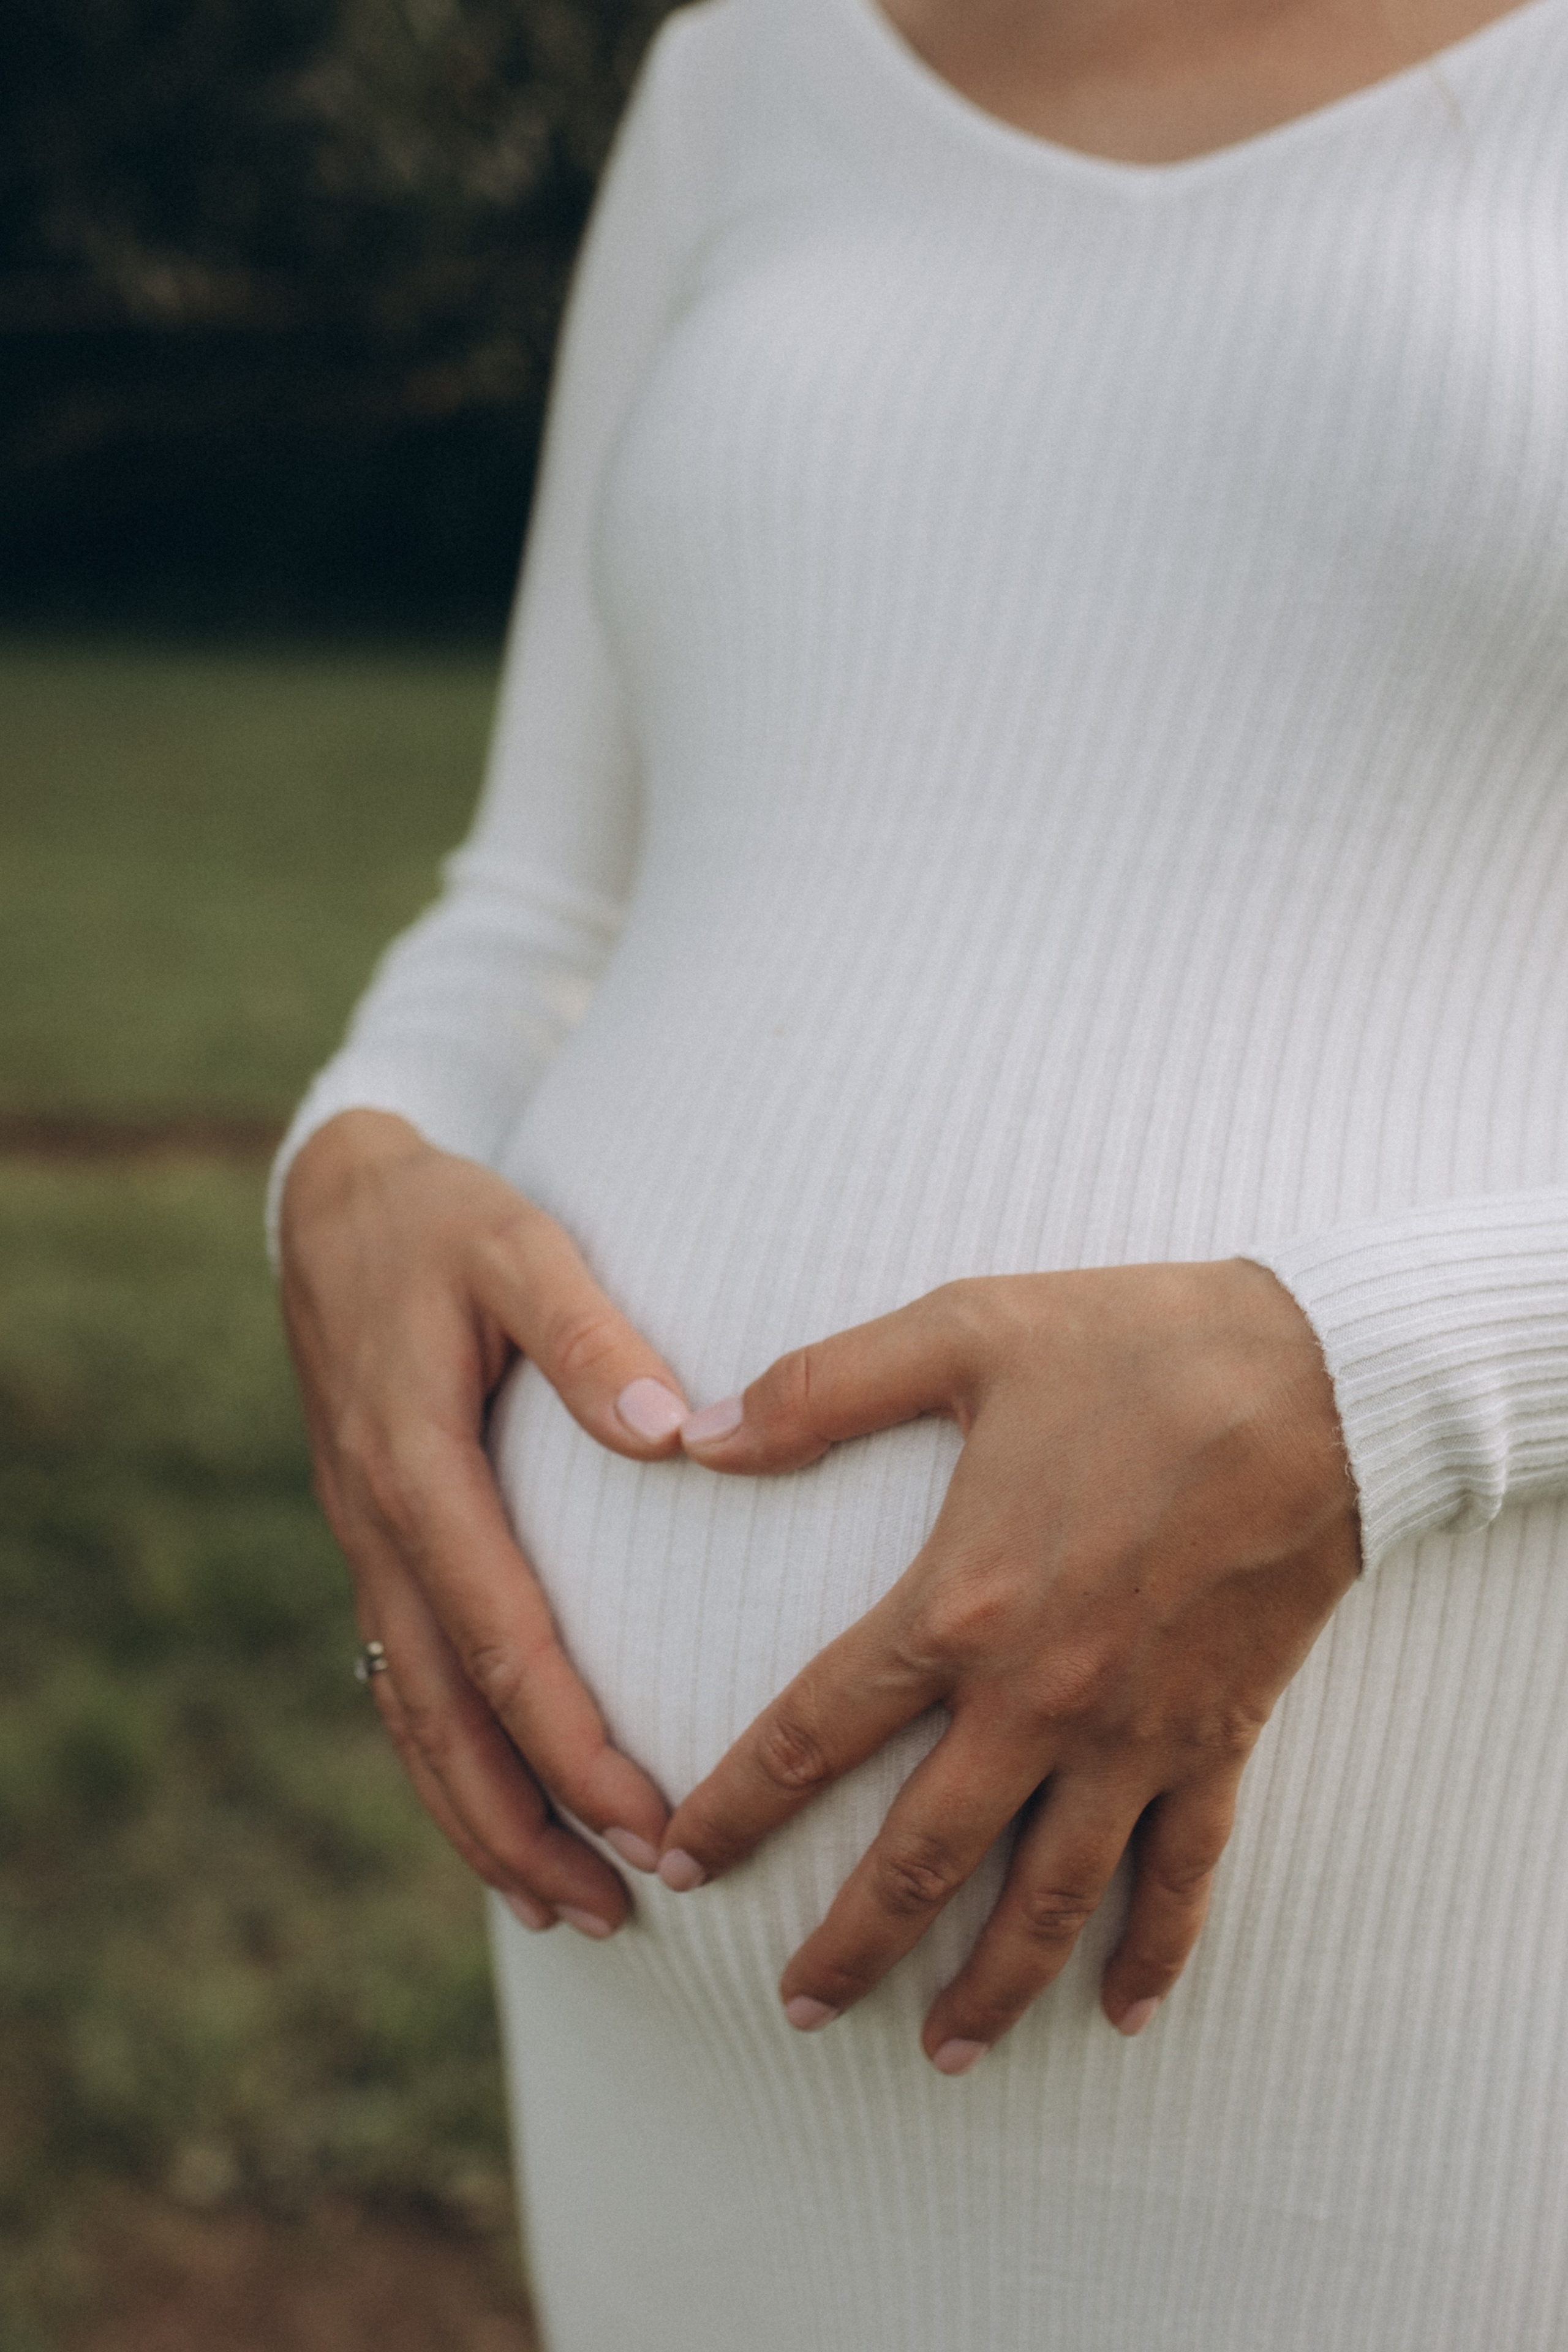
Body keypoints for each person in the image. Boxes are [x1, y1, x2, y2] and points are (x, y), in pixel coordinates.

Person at [271, 0, 1568, 2342]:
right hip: (654, 2028)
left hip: (1452, 1999)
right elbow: (542, 899)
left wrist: (1387, 1383)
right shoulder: (745, 70)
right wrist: (354, 1162)